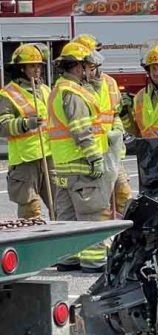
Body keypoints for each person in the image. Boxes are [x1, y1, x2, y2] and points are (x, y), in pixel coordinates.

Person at [47, 42, 113, 273]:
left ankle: (68, 257)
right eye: (88, 66)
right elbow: (81, 129)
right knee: (91, 214)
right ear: (77, 67)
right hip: (81, 165)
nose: (92, 70)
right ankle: (94, 261)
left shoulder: (59, 89)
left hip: (64, 165)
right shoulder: (73, 93)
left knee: (67, 216)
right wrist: (95, 157)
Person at [72, 34, 132, 218]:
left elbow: (114, 114)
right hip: (91, 156)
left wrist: (118, 128)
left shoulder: (110, 83)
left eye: (95, 55)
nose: (95, 61)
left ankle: (124, 237)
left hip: (112, 153)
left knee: (124, 196)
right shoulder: (76, 87)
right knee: (98, 205)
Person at [0, 44, 53, 219]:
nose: (37, 70)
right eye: (32, 66)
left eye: (39, 66)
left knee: (59, 205)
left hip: (49, 155)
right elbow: (2, 125)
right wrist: (26, 124)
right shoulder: (8, 94)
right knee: (30, 210)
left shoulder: (45, 90)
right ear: (21, 68)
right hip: (25, 160)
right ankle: (31, 245)